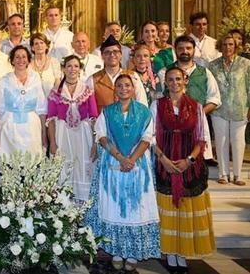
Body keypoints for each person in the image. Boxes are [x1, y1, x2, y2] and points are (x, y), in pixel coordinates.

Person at [86, 74, 160, 272]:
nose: (124, 88)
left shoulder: (144, 112)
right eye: (119, 85)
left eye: (127, 85)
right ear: (115, 90)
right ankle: (117, 251)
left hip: (138, 168)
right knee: (115, 208)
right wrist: (121, 158)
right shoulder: (107, 112)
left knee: (136, 209)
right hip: (113, 166)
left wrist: (132, 159)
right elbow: (101, 136)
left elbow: (147, 138)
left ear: (133, 89)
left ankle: (133, 253)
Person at [151, 67, 215, 271]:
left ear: (185, 81)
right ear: (165, 83)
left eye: (178, 79)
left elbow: (202, 137)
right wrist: (164, 160)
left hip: (189, 165)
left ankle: (182, 253)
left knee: (185, 209)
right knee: (169, 209)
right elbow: (150, 136)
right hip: (165, 162)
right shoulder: (157, 105)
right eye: (170, 80)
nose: (174, 83)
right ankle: (170, 253)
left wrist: (189, 160)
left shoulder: (196, 106)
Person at [156, 35, 221, 166]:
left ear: (194, 50)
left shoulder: (204, 72)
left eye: (188, 48)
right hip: (170, 127)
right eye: (180, 48)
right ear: (175, 50)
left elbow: (215, 98)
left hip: (196, 124)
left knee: (196, 160)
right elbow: (158, 97)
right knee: (172, 158)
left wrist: (197, 113)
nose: (184, 51)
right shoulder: (164, 72)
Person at [47, 55, 98, 202]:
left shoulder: (87, 90)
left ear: (80, 69)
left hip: (83, 134)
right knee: (64, 165)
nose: (72, 69)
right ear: (63, 69)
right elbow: (51, 119)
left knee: (83, 165)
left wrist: (95, 143)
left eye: (76, 66)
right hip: (62, 134)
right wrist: (52, 143)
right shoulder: (56, 91)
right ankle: (64, 207)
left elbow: (94, 117)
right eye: (69, 66)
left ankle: (83, 206)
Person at [0, 46, 47, 158]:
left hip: (32, 131)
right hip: (9, 132)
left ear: (28, 60)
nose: (21, 60)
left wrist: (44, 135)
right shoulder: (4, 81)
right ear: (12, 60)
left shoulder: (35, 80)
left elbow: (41, 110)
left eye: (23, 57)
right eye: (17, 57)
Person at [209, 34, 250, 185]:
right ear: (220, 46)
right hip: (219, 109)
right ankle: (223, 174)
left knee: (238, 141)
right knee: (221, 141)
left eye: (231, 44)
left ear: (236, 46)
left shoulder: (245, 64)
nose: (228, 47)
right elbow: (211, 88)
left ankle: (238, 175)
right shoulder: (213, 65)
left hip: (240, 107)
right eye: (225, 44)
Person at [87, 35, 148, 113]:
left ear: (121, 55)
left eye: (115, 51)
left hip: (130, 123)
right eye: (107, 52)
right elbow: (89, 110)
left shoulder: (133, 76)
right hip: (104, 124)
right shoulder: (93, 80)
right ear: (102, 56)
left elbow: (142, 105)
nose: (112, 55)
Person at [29, 32, 62, 97]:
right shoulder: (28, 64)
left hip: (51, 101)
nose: (39, 46)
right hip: (33, 103)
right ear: (32, 47)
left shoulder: (54, 62)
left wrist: (53, 98)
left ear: (46, 46)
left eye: (42, 43)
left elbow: (57, 83)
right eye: (36, 44)